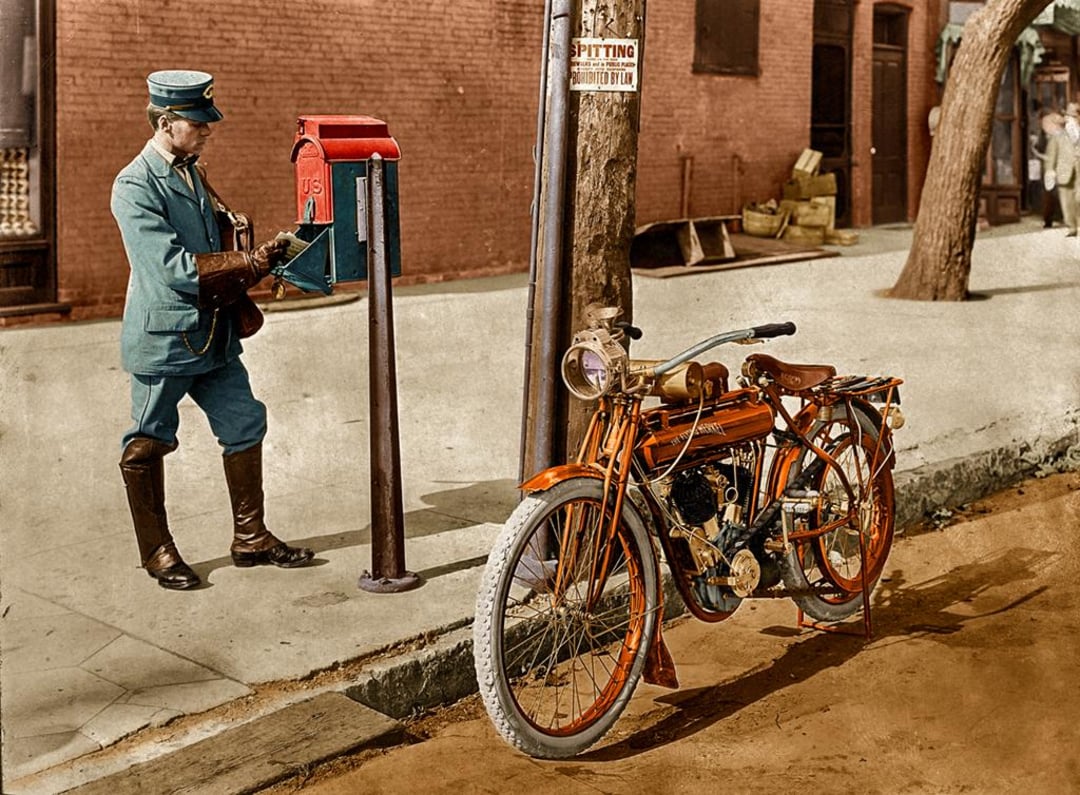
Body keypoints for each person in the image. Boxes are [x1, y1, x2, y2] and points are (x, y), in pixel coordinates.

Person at [110, 70, 313, 590]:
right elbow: (172, 268)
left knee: (245, 420)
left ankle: (251, 537)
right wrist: (248, 260)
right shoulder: (134, 185)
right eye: (196, 124)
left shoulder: (192, 171)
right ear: (165, 122)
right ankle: (156, 551)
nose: (206, 131)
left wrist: (256, 257)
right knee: (148, 441)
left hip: (212, 331)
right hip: (166, 338)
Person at [1039, 104, 1080, 236]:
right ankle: (1072, 226)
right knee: (1067, 200)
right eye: (1068, 116)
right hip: (1064, 171)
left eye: (1073, 116)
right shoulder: (1058, 136)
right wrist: (1050, 171)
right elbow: (1051, 155)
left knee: (1078, 198)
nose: (1070, 119)